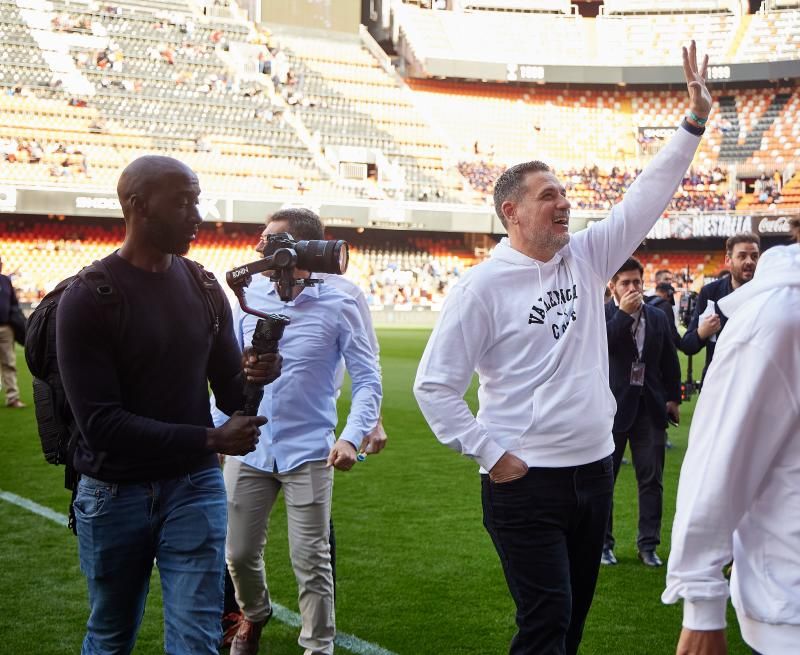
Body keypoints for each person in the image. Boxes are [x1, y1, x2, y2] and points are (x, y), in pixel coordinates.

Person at [414, 42, 711, 655]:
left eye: (564, 192)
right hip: (524, 483)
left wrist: (693, 122)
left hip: (595, 472)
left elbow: (645, 197)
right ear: (511, 212)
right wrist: (490, 453)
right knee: (546, 622)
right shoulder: (481, 288)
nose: (564, 201)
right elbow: (434, 386)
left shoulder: (585, 257)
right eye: (548, 195)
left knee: (569, 626)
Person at [57, 155, 281, 654]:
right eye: (183, 202)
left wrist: (256, 377)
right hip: (114, 492)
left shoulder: (204, 288)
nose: (197, 215)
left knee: (196, 637)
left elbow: (229, 394)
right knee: (111, 635)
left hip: (194, 486)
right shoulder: (88, 298)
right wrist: (210, 438)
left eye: (196, 200)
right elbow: (100, 425)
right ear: (137, 206)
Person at [217, 208, 381, 655]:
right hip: (250, 446)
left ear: (299, 248)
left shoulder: (344, 298)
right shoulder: (248, 294)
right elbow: (224, 372)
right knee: (237, 553)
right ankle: (254, 614)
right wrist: (219, 432)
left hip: (310, 448)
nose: (258, 249)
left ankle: (317, 646)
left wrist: (351, 436)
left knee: (311, 558)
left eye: (269, 241)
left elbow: (368, 378)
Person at [663, 216, 800, 655]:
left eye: (751, 255)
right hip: (790, 605)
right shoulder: (779, 313)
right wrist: (702, 604)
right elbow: (718, 454)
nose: (747, 262)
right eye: (741, 256)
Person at [602, 257, 681, 568]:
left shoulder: (658, 317)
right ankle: (603, 545)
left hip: (650, 407)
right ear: (613, 287)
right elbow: (602, 344)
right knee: (604, 481)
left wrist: (673, 398)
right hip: (610, 409)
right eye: (626, 283)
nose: (633, 288)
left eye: (637, 282)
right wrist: (623, 315)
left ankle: (648, 545)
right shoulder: (602, 315)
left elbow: (669, 360)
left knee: (652, 481)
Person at [678, 233, 760, 381]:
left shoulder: (767, 294)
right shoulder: (710, 292)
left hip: (754, 383)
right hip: (717, 382)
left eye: (754, 256)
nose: (750, 261)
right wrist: (702, 332)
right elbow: (688, 345)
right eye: (742, 256)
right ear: (728, 260)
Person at [0, 255, 25, 408]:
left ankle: (12, 398)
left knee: (9, 363)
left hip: (5, 328)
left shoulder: (5, 280)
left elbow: (14, 303)